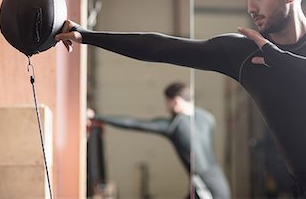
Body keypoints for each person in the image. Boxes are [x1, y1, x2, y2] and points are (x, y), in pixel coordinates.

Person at [56, 0, 306, 198]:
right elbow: (162, 47)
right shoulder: (242, 52)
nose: (251, 7)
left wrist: (276, 57)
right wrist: (88, 35)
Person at [87, 82, 231, 199]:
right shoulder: (207, 117)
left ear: (176, 101)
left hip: (205, 188)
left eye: (167, 102)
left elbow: (134, 123)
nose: (166, 107)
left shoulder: (175, 125)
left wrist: (96, 116)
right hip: (219, 183)